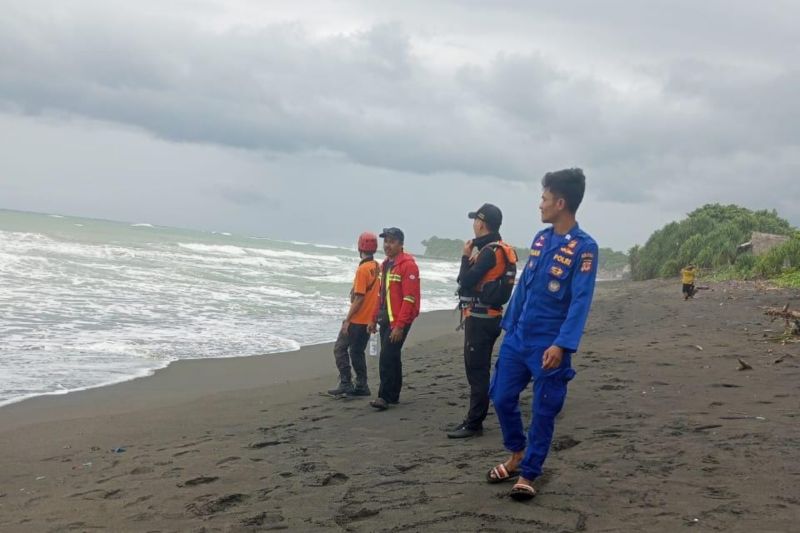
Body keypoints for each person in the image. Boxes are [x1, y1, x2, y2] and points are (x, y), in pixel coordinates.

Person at [486, 168, 598, 501]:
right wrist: (508, 327)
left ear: (561, 203)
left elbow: (580, 300)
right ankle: (517, 453)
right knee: (501, 396)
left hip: (550, 344)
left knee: (545, 409)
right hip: (519, 337)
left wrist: (563, 345)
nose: (540, 205)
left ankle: (530, 472)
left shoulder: (584, 248)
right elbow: (524, 285)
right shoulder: (540, 238)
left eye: (545, 199)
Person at [448, 203, 517, 439]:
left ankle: (474, 423)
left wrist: (465, 257)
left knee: (476, 371)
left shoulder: (488, 252)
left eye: (475, 220)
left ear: (481, 223)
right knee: (481, 369)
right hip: (492, 316)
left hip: (480, 317)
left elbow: (465, 280)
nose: (473, 225)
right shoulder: (500, 249)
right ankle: (474, 418)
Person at [368, 227, 420, 411]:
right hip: (386, 317)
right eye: (386, 241)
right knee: (392, 355)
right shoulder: (385, 265)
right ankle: (394, 394)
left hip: (400, 319)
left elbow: (409, 298)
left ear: (401, 244)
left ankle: (384, 397)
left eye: (391, 241)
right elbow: (380, 295)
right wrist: (373, 318)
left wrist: (400, 326)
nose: (387, 245)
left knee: (387, 356)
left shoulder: (409, 265)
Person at [327, 232, 381, 397]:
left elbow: (358, 298)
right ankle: (362, 385)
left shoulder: (363, 269)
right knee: (357, 352)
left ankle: (346, 382)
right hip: (369, 318)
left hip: (358, 318)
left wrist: (347, 319)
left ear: (359, 247)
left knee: (340, 349)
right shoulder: (377, 266)